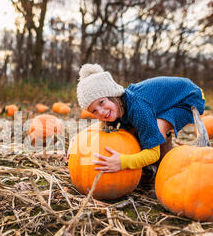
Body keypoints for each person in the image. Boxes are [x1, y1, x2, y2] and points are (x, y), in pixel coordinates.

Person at [73, 63, 205, 183]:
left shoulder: (138, 108)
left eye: (101, 102)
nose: (101, 112)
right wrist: (77, 143)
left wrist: (123, 162)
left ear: (113, 95)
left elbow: (153, 153)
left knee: (157, 130)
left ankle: (165, 174)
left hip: (187, 98)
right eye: (94, 111)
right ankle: (147, 169)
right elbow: (98, 129)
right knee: (133, 130)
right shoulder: (117, 107)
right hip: (161, 101)